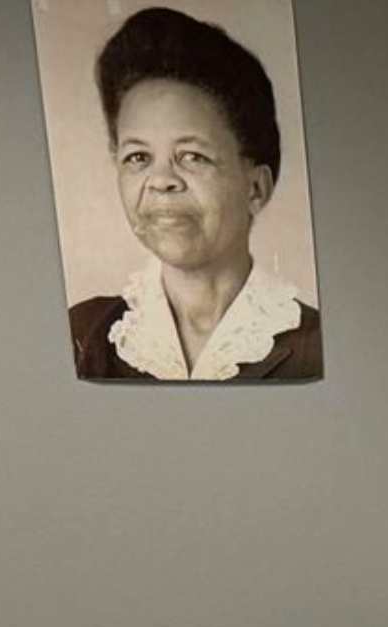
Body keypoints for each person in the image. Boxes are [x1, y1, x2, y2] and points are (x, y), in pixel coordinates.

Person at [67, 7, 320, 383]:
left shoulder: (318, 347)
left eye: (192, 157)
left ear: (255, 187)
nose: (161, 180)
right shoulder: (81, 335)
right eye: (138, 157)